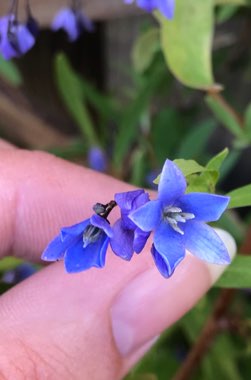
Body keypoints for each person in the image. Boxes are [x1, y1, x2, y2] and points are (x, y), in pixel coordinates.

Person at [0, 140, 235, 379]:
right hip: (148, 217)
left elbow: (193, 203)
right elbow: (147, 210)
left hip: (158, 216)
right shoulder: (150, 210)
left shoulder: (170, 197)